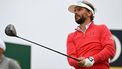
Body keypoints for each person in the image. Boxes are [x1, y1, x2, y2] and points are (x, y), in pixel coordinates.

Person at [66, 1, 115, 69]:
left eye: (79, 9)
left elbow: (110, 49)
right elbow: (71, 59)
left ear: (89, 13)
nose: (76, 12)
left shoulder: (102, 28)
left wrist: (92, 59)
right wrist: (79, 62)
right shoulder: (71, 36)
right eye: (75, 11)